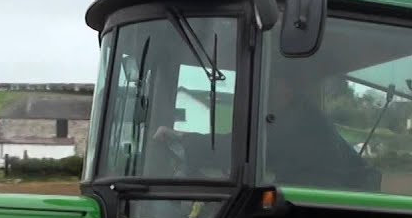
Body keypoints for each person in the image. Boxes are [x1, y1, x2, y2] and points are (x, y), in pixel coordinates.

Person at [153, 70, 376, 189]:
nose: (263, 95)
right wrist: (185, 138)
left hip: (316, 201)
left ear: (287, 89)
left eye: (270, 86)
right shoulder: (296, 117)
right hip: (307, 190)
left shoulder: (299, 122)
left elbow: (242, 148)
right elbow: (242, 143)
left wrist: (184, 140)